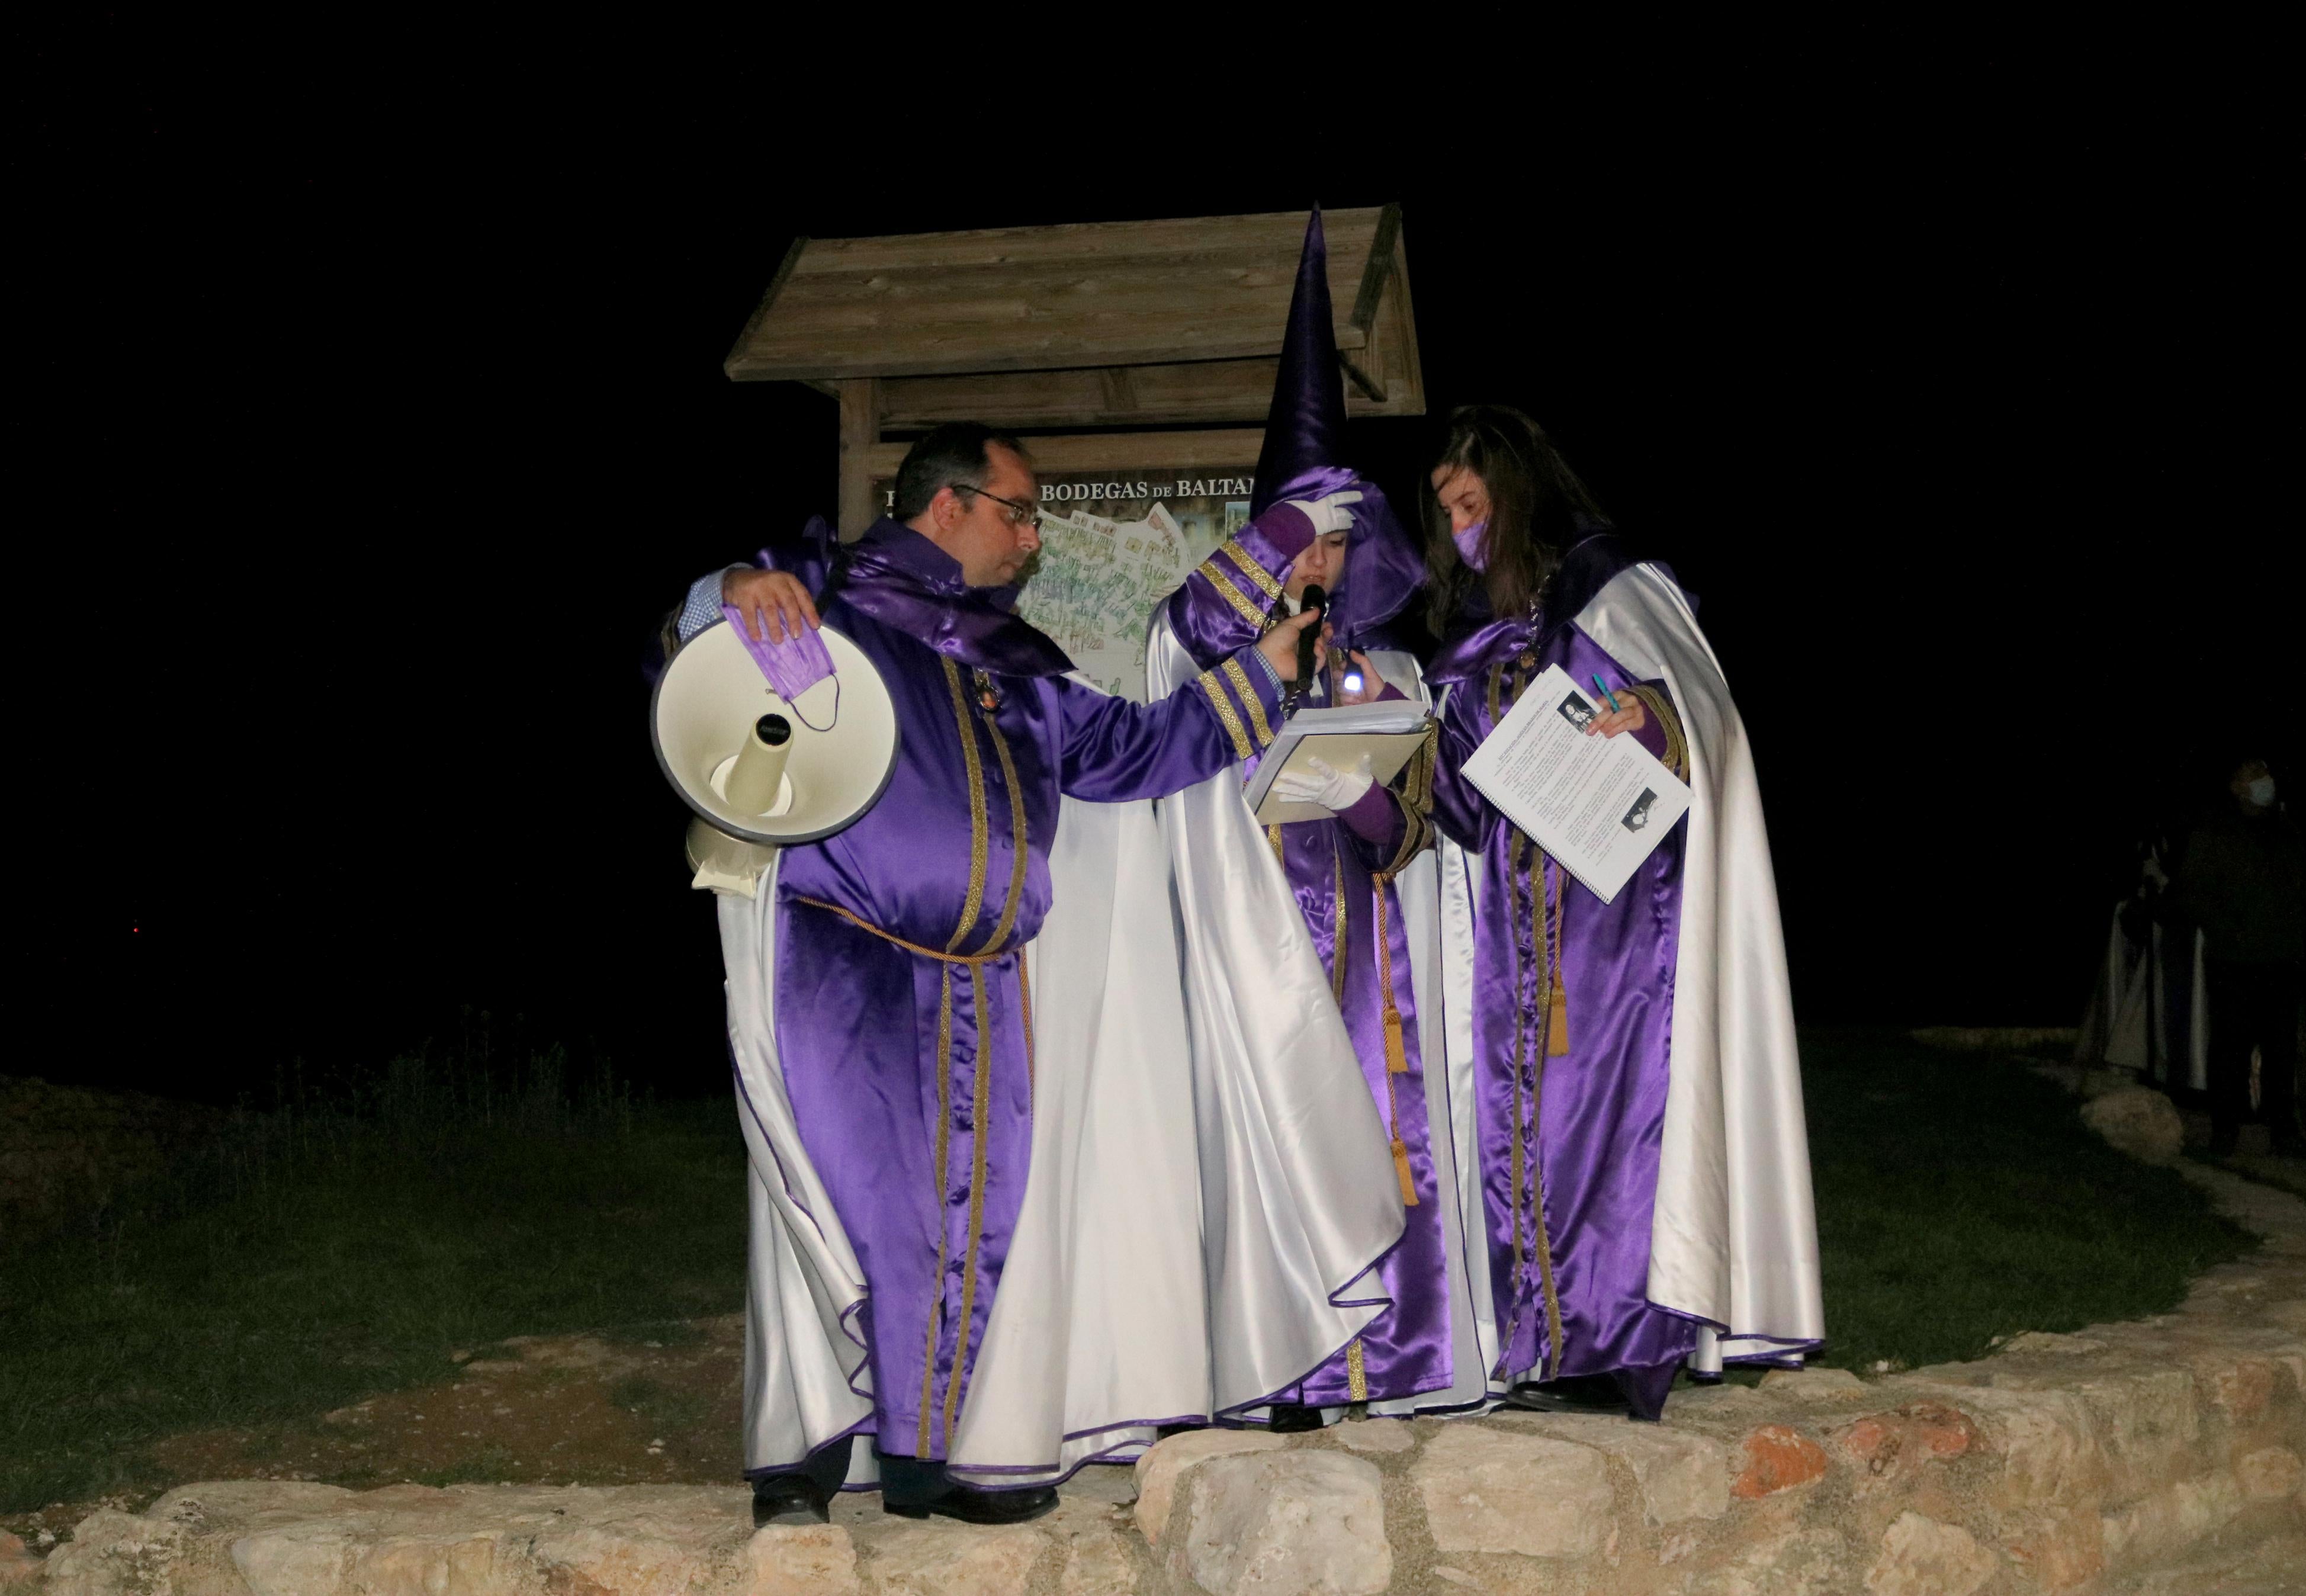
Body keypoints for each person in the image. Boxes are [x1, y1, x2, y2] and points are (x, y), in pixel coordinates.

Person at [653, 422, 1331, 1526]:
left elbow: (1131, 753)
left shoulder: (1017, 662)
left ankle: (931, 1456)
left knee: (970, 1220)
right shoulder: (828, 614)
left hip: (983, 982)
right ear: (947, 508)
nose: (1031, 537)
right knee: (836, 1207)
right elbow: (696, 688)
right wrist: (721, 591)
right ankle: (803, 1456)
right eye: (1017, 511)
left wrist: (1263, 673)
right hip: (842, 962)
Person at [1145, 209, 1494, 1431]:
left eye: (1339, 541)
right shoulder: (1202, 651)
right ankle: (1273, 1368)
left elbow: (1408, 835)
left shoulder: (1386, 667)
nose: (1320, 563)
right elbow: (1183, 647)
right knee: (1257, 1145)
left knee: (1364, 1136)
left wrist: (1355, 790)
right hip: (1242, 955)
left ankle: (1382, 1362)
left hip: (1356, 965)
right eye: (1304, 537)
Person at [1418, 405, 1823, 1420]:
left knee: (1609, 1124)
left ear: (1514, 492)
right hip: (1512, 936)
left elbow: (1696, 724)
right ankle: (1544, 1345)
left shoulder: (1610, 586)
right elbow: (1464, 799)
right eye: (1445, 513)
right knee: (1523, 1133)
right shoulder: (1473, 635)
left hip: (1616, 929)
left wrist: (1643, 718)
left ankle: (1616, 1348)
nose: (1460, 528)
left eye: (1472, 504)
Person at [2174, 757, 2306, 1158]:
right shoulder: (2215, 831)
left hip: (2281, 959)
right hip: (2234, 961)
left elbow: (2304, 885)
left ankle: (2283, 1131)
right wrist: (2226, 928)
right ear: (2236, 787)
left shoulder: (2285, 831)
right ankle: (2224, 1130)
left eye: (2266, 773)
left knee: (2280, 1050)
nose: (2264, 781)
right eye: (2254, 775)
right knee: (2229, 1049)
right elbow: (2191, 891)